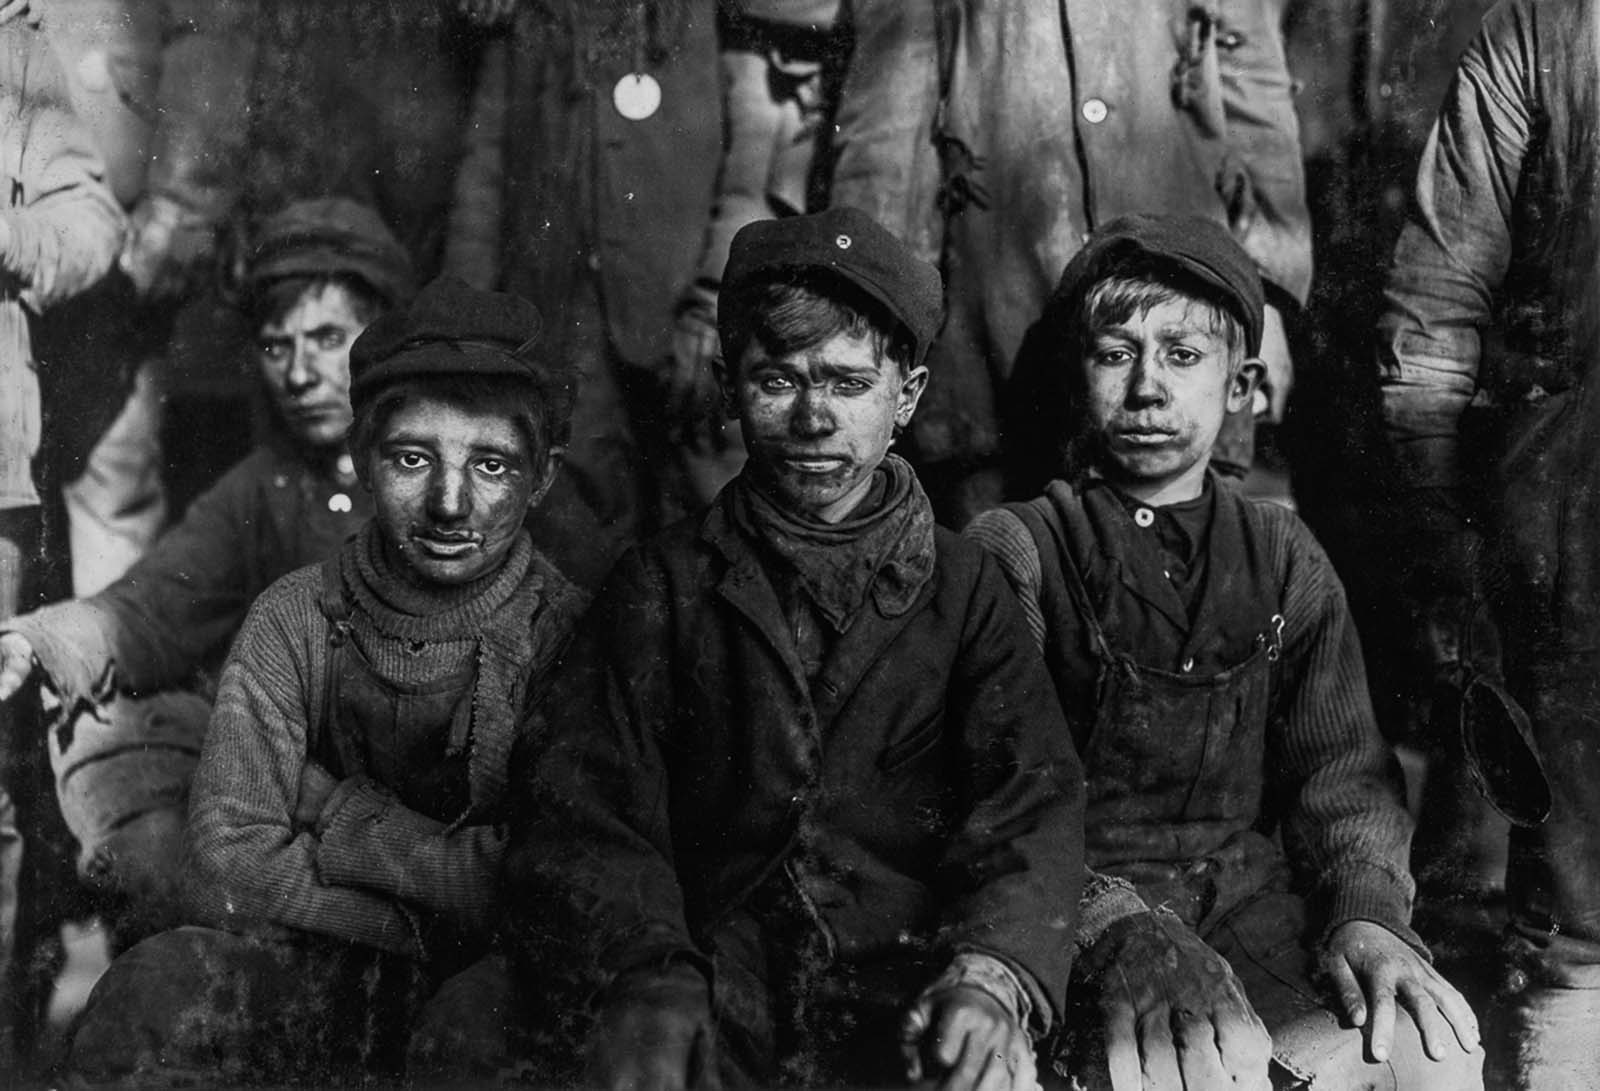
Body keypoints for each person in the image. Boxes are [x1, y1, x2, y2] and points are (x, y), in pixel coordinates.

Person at [505, 206, 1085, 1089]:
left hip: (911, 988)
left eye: (850, 384)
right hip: (707, 981)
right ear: (731, 386)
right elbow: (586, 806)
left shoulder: (967, 590)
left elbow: (1031, 804)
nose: (814, 417)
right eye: (778, 381)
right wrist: (646, 968)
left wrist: (993, 976)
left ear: (909, 397)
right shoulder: (660, 583)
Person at [965, 214, 1483, 1089]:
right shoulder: (1019, 548)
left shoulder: (1283, 552)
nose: (1146, 387)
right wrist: (1111, 925)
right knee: (1186, 1068)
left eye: (1181, 354)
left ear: (1242, 384)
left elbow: (1343, 774)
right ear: (1075, 376)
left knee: (1424, 1052)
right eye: (1115, 353)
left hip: (1247, 903)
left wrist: (1368, 915)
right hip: (1072, 916)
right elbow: (994, 800)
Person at [62, 275, 587, 1085]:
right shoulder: (294, 618)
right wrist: (431, 910)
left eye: (491, 465)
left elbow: (544, 880)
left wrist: (328, 809)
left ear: (542, 477)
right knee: (150, 990)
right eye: (413, 458)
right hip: (312, 969)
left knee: (474, 1038)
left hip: (494, 986)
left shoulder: (571, 636)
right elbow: (230, 861)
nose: (451, 502)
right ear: (363, 459)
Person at [0, 198, 408, 945]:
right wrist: (37, 640)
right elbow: (153, 603)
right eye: (276, 345)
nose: (300, 372)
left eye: (326, 338)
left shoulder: (439, 478)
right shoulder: (264, 485)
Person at [1377, 1, 1600, 1085]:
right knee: (1579, 934)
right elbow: (1436, 288)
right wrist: (1433, 503)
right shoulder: (1547, 29)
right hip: (1573, 516)